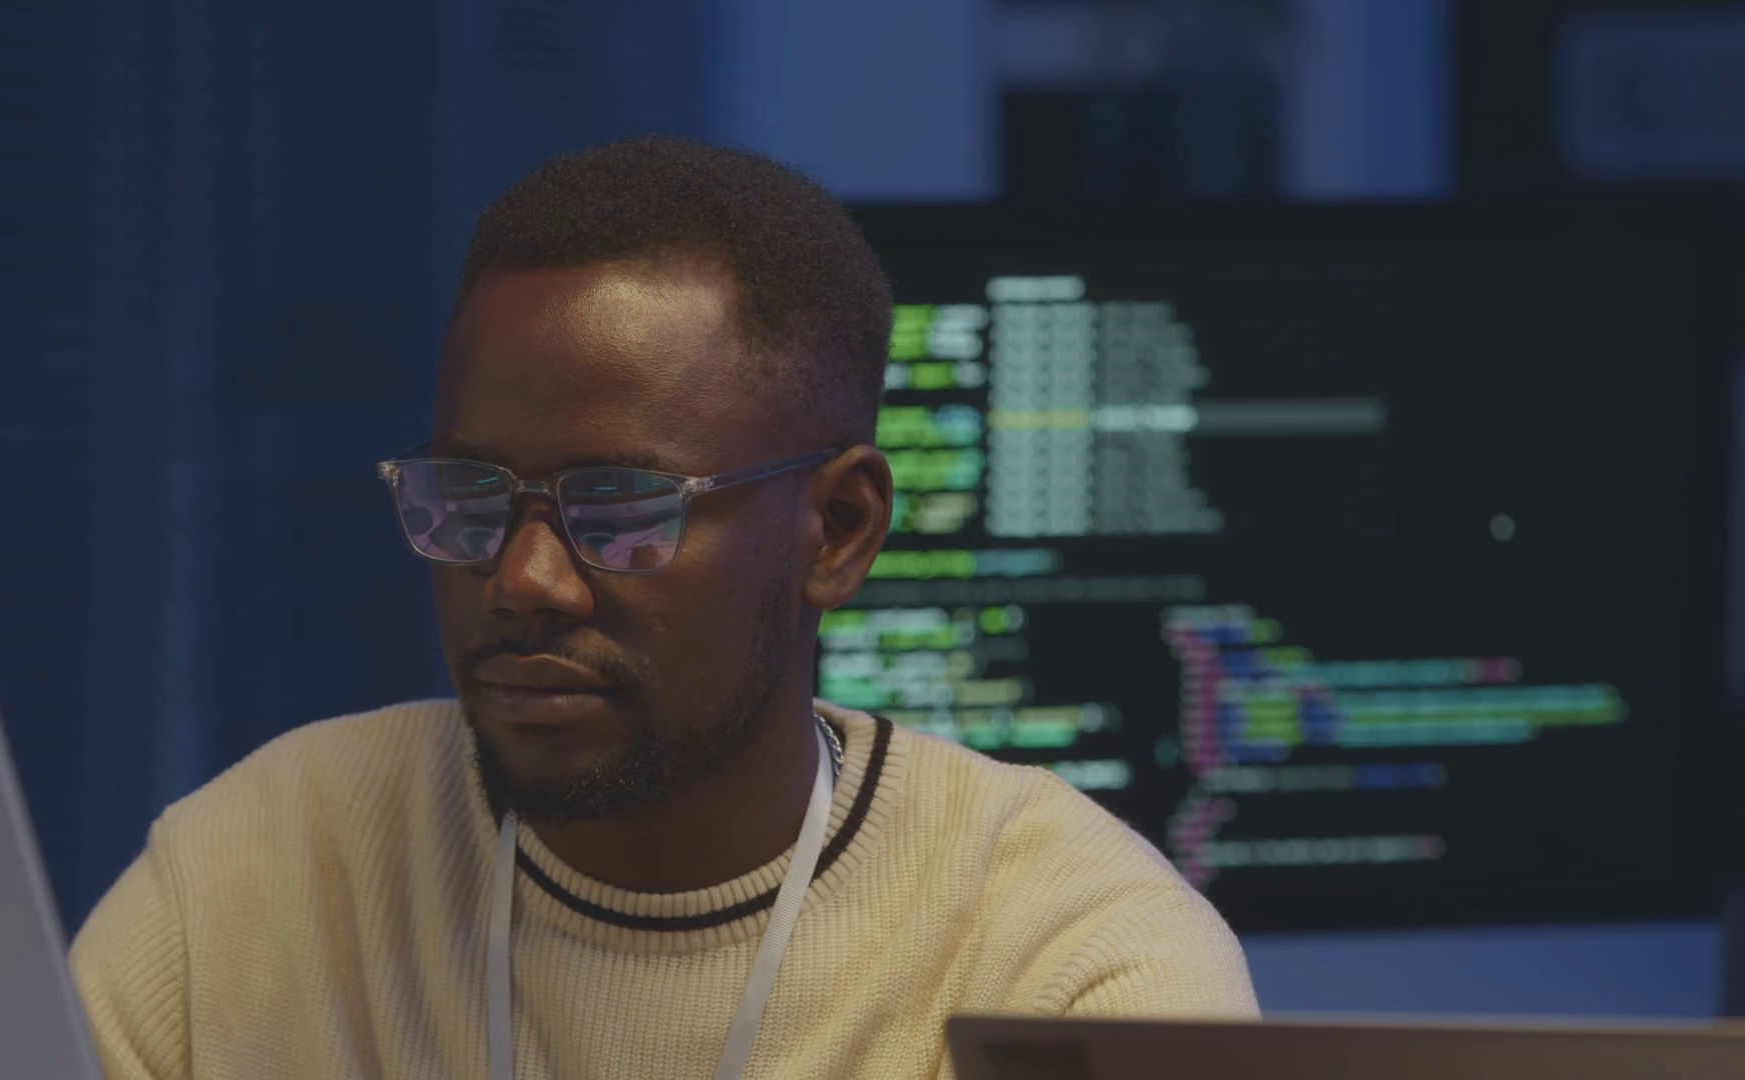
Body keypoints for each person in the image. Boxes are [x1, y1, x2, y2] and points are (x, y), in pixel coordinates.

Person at [68, 134, 1257, 1080]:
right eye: (471, 496)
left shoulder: (1067, 956)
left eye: (622, 506)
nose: (524, 579)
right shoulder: (251, 876)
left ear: (837, 532)